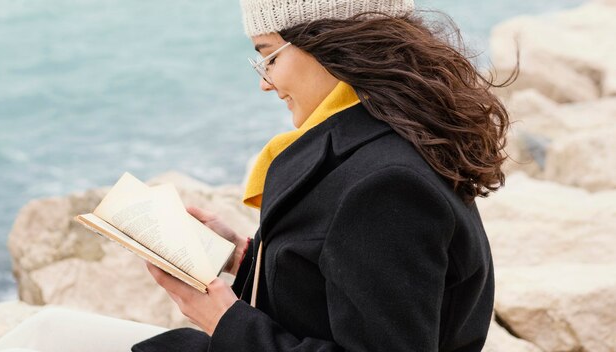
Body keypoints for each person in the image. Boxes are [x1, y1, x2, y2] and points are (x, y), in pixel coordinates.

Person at [132, 0, 515, 351]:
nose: (264, 83)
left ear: (330, 44)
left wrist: (223, 320)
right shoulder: (391, 138)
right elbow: (338, 288)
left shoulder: (387, 184)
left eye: (269, 57)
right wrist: (242, 257)